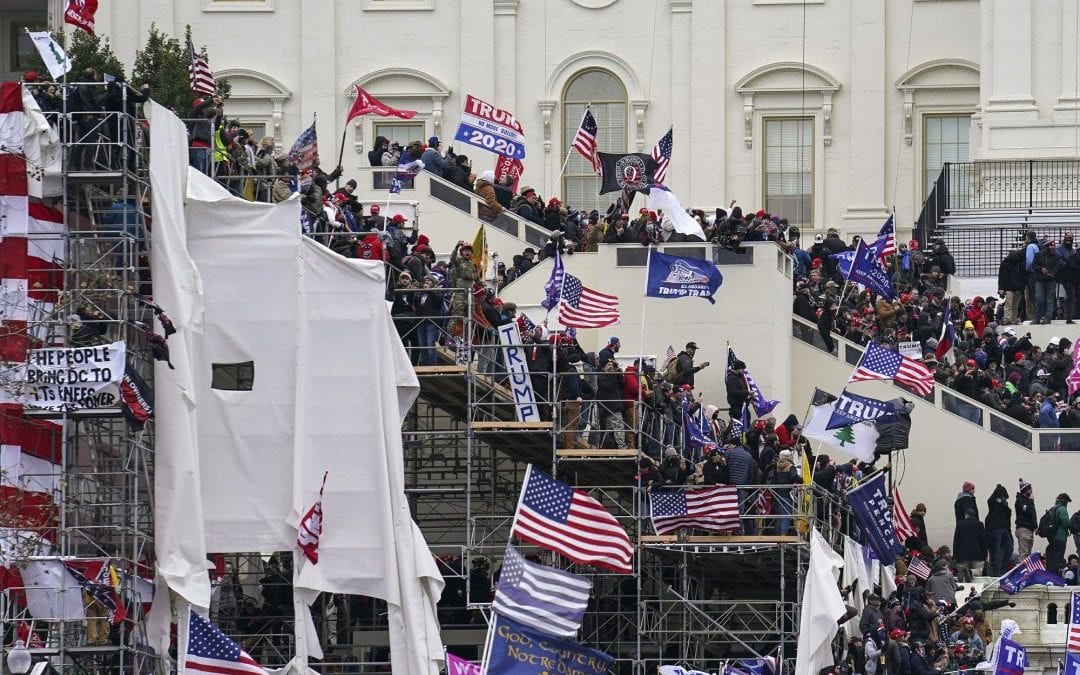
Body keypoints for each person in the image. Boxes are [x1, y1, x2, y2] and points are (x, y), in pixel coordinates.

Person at [984, 484, 1013, 576]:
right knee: (995, 552)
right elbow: (991, 501)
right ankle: (996, 571)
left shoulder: (1003, 506)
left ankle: (1002, 569)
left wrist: (1004, 505)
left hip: (1004, 528)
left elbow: (1008, 514)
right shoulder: (993, 502)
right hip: (995, 529)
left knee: (1009, 548)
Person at [953, 509, 987, 579]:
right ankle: (971, 572)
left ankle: (965, 580)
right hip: (977, 554)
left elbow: (956, 541)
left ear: (966, 515)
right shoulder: (980, 524)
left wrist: (955, 555)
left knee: (962, 576)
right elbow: (983, 540)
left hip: (963, 554)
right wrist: (985, 554)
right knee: (978, 572)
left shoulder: (960, 524)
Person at [1046, 492, 1072, 573]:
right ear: (1064, 501)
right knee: (1058, 557)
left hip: (1051, 537)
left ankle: (1049, 575)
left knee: (1052, 557)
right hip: (1060, 537)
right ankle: (1055, 576)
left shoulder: (1052, 509)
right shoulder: (1062, 509)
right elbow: (1066, 523)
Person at [1014, 479, 1037, 559]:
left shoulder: (1029, 501)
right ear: (1025, 490)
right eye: (1030, 488)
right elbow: (1027, 510)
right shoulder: (1020, 501)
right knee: (1024, 554)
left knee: (1028, 556)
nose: (1032, 490)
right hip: (1023, 528)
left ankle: (1027, 571)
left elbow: (1033, 513)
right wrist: (1030, 501)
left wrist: (1035, 526)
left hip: (1030, 530)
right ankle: (1022, 570)